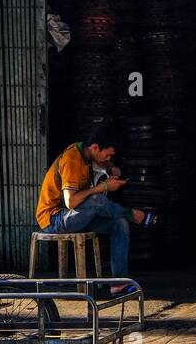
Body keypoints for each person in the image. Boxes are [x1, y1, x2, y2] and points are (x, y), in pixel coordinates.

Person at [34, 124, 157, 290]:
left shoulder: (87, 152)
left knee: (119, 224)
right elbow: (70, 202)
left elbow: (103, 164)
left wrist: (111, 168)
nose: (108, 158)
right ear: (95, 147)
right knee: (96, 200)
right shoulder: (72, 159)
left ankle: (119, 283)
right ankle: (133, 215)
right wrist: (103, 187)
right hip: (54, 219)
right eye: (107, 155)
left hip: (76, 216)